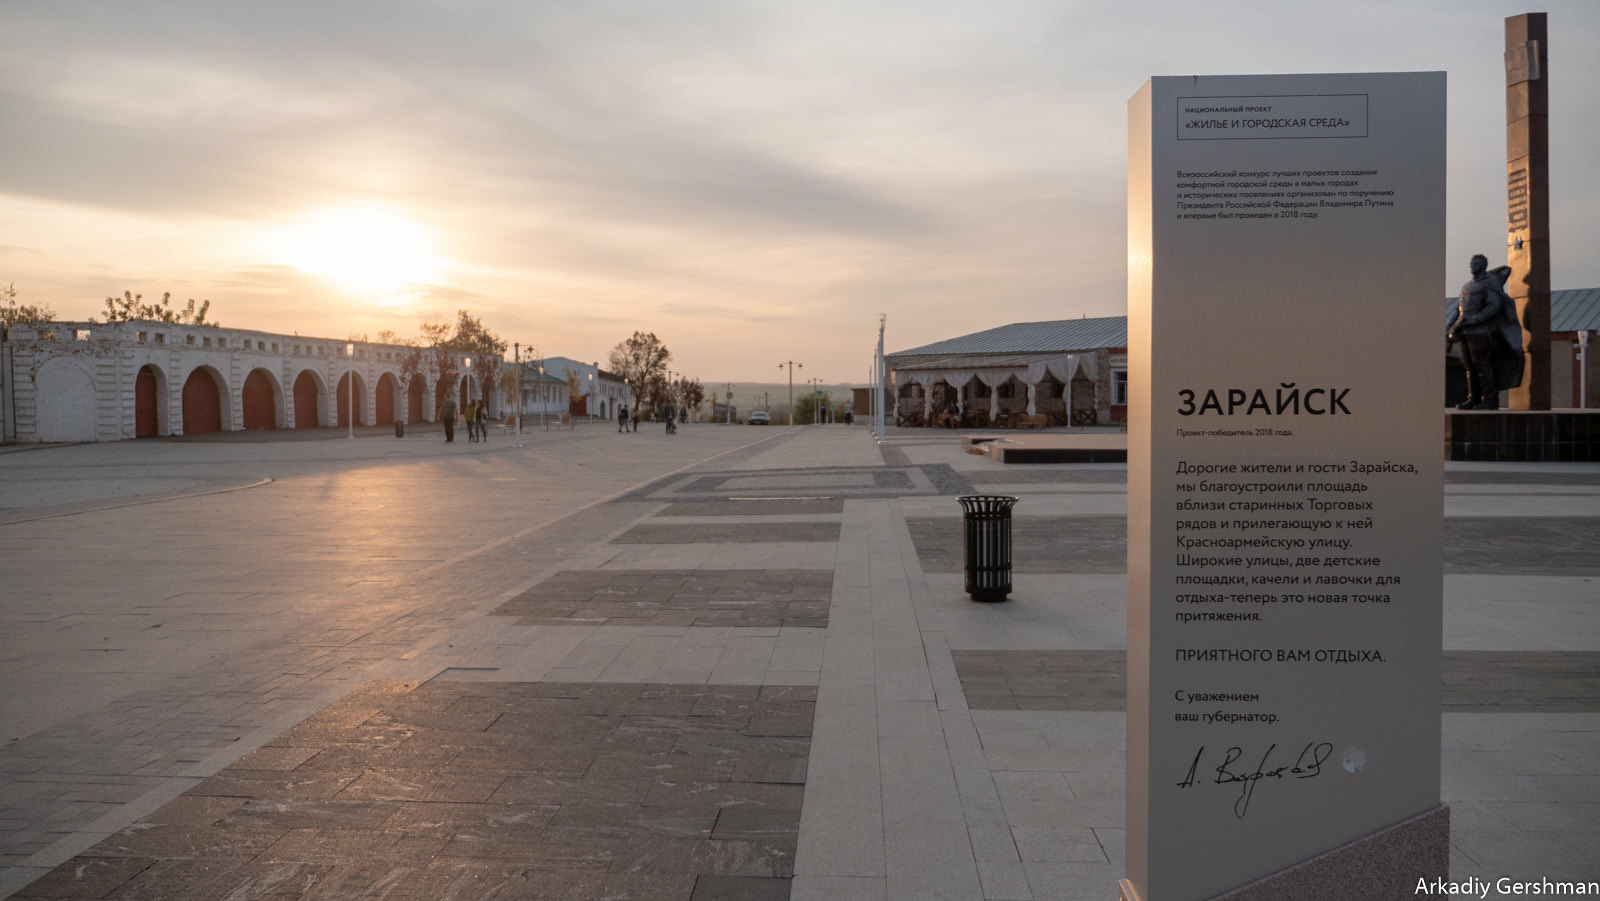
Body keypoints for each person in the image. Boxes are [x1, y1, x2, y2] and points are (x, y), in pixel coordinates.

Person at [1447, 254, 1522, 410]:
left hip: (1481, 332)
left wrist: (1477, 319)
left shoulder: (1490, 283)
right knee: (1468, 366)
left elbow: (1494, 305)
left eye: (1475, 263)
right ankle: (1473, 398)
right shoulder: (1467, 285)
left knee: (1482, 365)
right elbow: (1458, 309)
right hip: (1465, 330)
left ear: (1483, 265)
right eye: (1471, 263)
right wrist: (1448, 326)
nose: (1472, 265)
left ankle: (1490, 399)